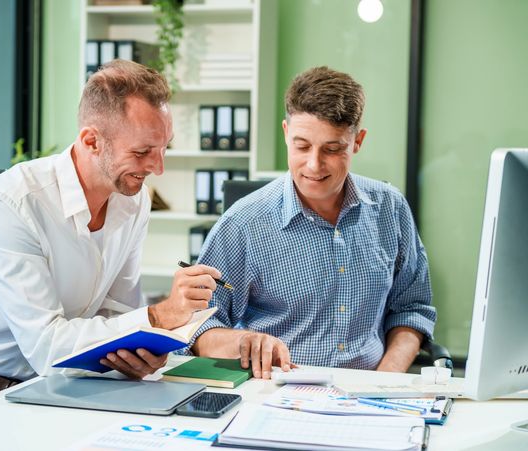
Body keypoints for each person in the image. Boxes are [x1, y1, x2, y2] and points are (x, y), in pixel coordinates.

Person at [0, 60, 221, 417]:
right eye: (142, 152)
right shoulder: (13, 204)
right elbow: (47, 347)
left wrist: (136, 353)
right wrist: (158, 316)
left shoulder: (132, 200)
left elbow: (118, 311)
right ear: (91, 141)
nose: (157, 168)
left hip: (51, 388)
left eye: (164, 149)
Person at [187, 66, 436, 379]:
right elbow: (199, 325)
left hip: (372, 391)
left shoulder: (390, 207)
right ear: (285, 133)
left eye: (332, 149)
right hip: (277, 391)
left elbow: (412, 308)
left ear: (357, 141)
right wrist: (240, 341)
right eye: (302, 146)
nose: (314, 165)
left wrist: (385, 380)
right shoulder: (245, 222)